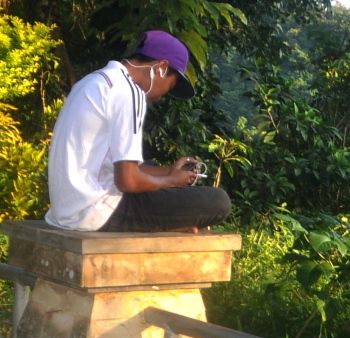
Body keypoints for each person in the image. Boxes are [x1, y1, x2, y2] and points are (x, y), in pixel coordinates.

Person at [44, 29, 231, 232]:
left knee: (147, 165)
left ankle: (170, 225)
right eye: (169, 86)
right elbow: (128, 181)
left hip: (66, 212)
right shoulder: (128, 91)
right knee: (219, 201)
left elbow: (121, 168)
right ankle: (169, 227)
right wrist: (170, 181)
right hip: (95, 214)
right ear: (161, 67)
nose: (161, 96)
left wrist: (169, 171)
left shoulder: (91, 82)